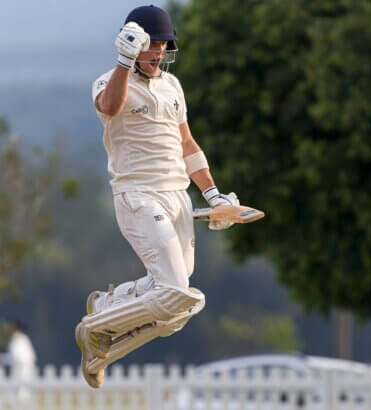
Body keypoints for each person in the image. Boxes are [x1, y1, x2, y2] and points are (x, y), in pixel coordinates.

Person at [75, 5, 239, 389]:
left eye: (165, 47)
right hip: (138, 196)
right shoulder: (108, 82)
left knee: (182, 306)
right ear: (134, 43)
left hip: (176, 195)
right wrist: (123, 62)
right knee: (175, 290)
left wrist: (213, 195)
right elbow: (110, 108)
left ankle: (106, 309)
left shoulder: (172, 86)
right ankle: (94, 327)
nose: (159, 54)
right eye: (153, 46)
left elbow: (186, 143)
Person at [0, 321, 37, 406]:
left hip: (22, 369)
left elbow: (17, 357)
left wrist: (3, 359)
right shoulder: (23, 339)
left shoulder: (18, 340)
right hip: (24, 368)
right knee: (23, 389)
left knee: (22, 390)